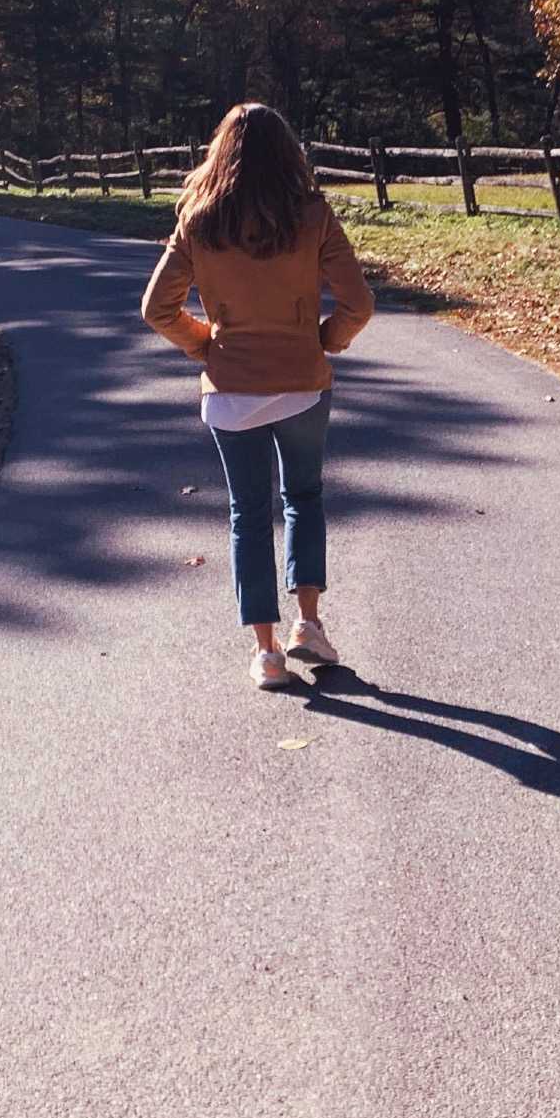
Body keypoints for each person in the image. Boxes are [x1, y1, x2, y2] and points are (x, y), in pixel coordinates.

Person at [141, 103, 375, 689]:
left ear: (220, 153)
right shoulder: (312, 215)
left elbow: (156, 309)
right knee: (304, 496)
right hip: (301, 384)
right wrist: (323, 341)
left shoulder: (199, 220)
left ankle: (267, 653)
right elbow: (358, 304)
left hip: (230, 390)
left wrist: (206, 347)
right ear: (288, 154)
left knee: (248, 515)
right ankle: (310, 624)